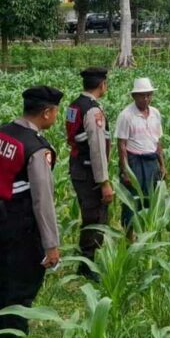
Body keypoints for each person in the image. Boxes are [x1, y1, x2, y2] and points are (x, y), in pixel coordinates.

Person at [0, 85, 63, 338]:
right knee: (22, 285)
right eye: (55, 111)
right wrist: (51, 244)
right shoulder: (36, 148)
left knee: (2, 280)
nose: (56, 116)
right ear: (46, 112)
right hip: (20, 223)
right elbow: (43, 200)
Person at [65, 67, 114, 281]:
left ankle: (87, 260)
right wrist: (104, 181)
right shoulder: (92, 111)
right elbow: (97, 149)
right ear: (102, 85)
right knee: (95, 216)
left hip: (77, 166)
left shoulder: (74, 105)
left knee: (89, 213)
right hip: (89, 170)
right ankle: (87, 263)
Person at [115, 77, 166, 239]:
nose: (146, 99)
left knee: (151, 201)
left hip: (151, 162)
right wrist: (125, 171)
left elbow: (158, 142)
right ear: (134, 96)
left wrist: (162, 165)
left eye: (149, 95)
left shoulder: (155, 113)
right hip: (134, 162)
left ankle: (146, 236)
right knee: (131, 203)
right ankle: (129, 238)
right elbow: (121, 144)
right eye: (142, 95)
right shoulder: (126, 115)